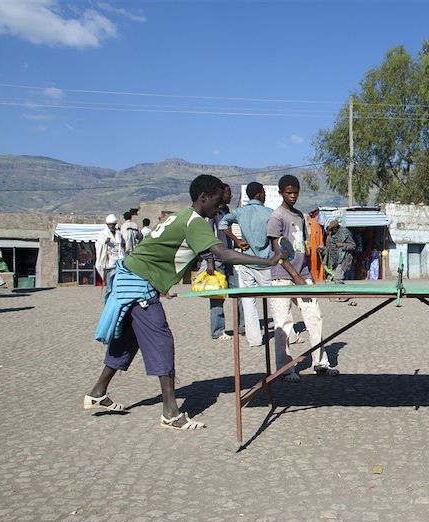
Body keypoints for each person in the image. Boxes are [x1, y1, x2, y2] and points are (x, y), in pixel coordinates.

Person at [85, 174, 295, 431]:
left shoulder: (181, 216)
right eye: (217, 200)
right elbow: (223, 254)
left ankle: (97, 392)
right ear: (203, 198)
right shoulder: (195, 222)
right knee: (162, 341)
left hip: (130, 278)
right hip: (138, 285)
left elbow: (197, 251)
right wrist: (268, 261)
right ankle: (171, 413)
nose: (220, 206)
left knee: (128, 339)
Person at [268, 174, 339, 382]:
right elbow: (278, 251)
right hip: (282, 277)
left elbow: (304, 249)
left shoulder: (300, 216)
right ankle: (285, 369)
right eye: (289, 192)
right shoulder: (276, 217)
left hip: (303, 275)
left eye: (296, 192)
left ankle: (320, 362)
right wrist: (296, 276)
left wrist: (308, 275)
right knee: (283, 324)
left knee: (314, 318)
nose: (293, 196)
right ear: (281, 193)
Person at [219, 181, 274, 347]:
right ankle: (285, 334)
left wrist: (237, 240)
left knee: (248, 302)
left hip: (245, 262)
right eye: (263, 192)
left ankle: (255, 339)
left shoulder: (239, 212)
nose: (265, 195)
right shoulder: (270, 213)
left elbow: (223, 224)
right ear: (258, 194)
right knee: (275, 301)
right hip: (265, 263)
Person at [201, 183, 244, 340]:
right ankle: (218, 331)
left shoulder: (227, 211)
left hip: (229, 257)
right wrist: (209, 260)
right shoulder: (212, 212)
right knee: (217, 296)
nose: (231, 196)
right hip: (217, 259)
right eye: (228, 193)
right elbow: (207, 236)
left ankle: (242, 326)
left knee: (239, 291)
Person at [95, 214, 125, 302]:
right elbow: (98, 244)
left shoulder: (119, 234)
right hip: (109, 263)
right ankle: (107, 302)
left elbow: (122, 244)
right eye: (109, 224)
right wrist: (104, 243)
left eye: (113, 224)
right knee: (109, 287)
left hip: (119, 262)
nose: (111, 226)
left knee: (118, 285)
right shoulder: (103, 234)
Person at [322, 218, 355, 282]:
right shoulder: (330, 235)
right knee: (331, 279)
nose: (332, 232)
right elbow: (328, 249)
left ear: (336, 228)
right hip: (332, 262)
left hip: (342, 260)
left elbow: (353, 246)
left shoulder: (345, 233)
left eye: (333, 230)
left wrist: (342, 245)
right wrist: (322, 249)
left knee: (337, 278)